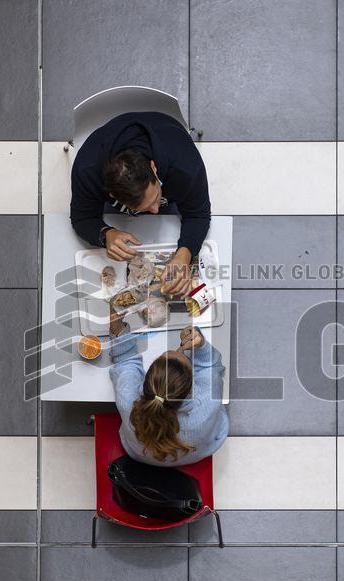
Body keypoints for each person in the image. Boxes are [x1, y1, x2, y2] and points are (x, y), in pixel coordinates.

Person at [71, 111, 211, 296]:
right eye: (143, 208)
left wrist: (185, 253)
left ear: (153, 167)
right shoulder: (87, 171)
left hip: (168, 135)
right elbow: (82, 218)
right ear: (113, 196)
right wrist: (105, 234)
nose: (155, 211)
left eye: (156, 198)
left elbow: (198, 214)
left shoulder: (186, 167)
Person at [107, 306, 227, 467]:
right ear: (192, 388)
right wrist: (201, 346)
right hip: (198, 452)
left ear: (146, 379)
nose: (180, 351)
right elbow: (213, 367)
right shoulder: (207, 403)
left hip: (140, 456)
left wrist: (117, 327)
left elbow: (125, 362)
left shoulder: (128, 401)